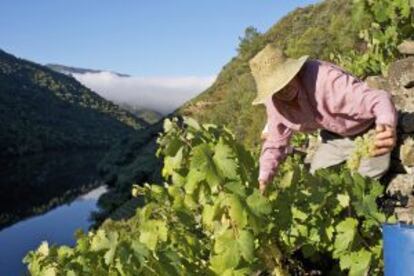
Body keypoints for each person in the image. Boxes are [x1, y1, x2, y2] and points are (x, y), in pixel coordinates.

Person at [249, 44, 397, 193]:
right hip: (334, 137)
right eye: (276, 88)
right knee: (316, 183)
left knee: (364, 183)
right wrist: (263, 179)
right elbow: (274, 143)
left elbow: (379, 98)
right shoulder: (275, 103)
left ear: (294, 72)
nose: (283, 89)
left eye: (284, 81)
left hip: (368, 130)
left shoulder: (327, 81)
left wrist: (386, 126)